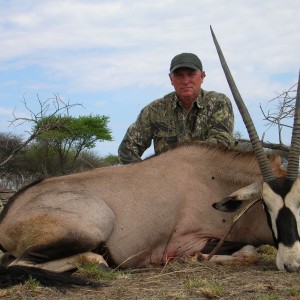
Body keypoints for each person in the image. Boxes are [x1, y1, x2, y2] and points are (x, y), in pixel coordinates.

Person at [118, 52, 234, 164]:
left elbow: (222, 143)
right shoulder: (154, 110)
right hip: (166, 179)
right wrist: (146, 176)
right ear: (171, 79)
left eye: (191, 74)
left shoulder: (219, 103)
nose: (185, 81)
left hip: (207, 175)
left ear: (202, 76)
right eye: (179, 75)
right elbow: (127, 149)